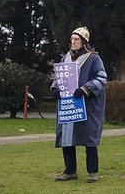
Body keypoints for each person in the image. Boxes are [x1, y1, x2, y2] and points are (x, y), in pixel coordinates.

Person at [51, 27, 107, 183]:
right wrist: (55, 89)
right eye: (71, 39)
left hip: (86, 104)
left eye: (76, 39)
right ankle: (70, 170)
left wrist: (85, 89)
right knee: (67, 137)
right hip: (68, 104)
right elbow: (58, 77)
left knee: (89, 138)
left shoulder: (93, 59)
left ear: (83, 42)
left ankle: (92, 172)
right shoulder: (65, 58)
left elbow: (101, 78)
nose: (73, 42)